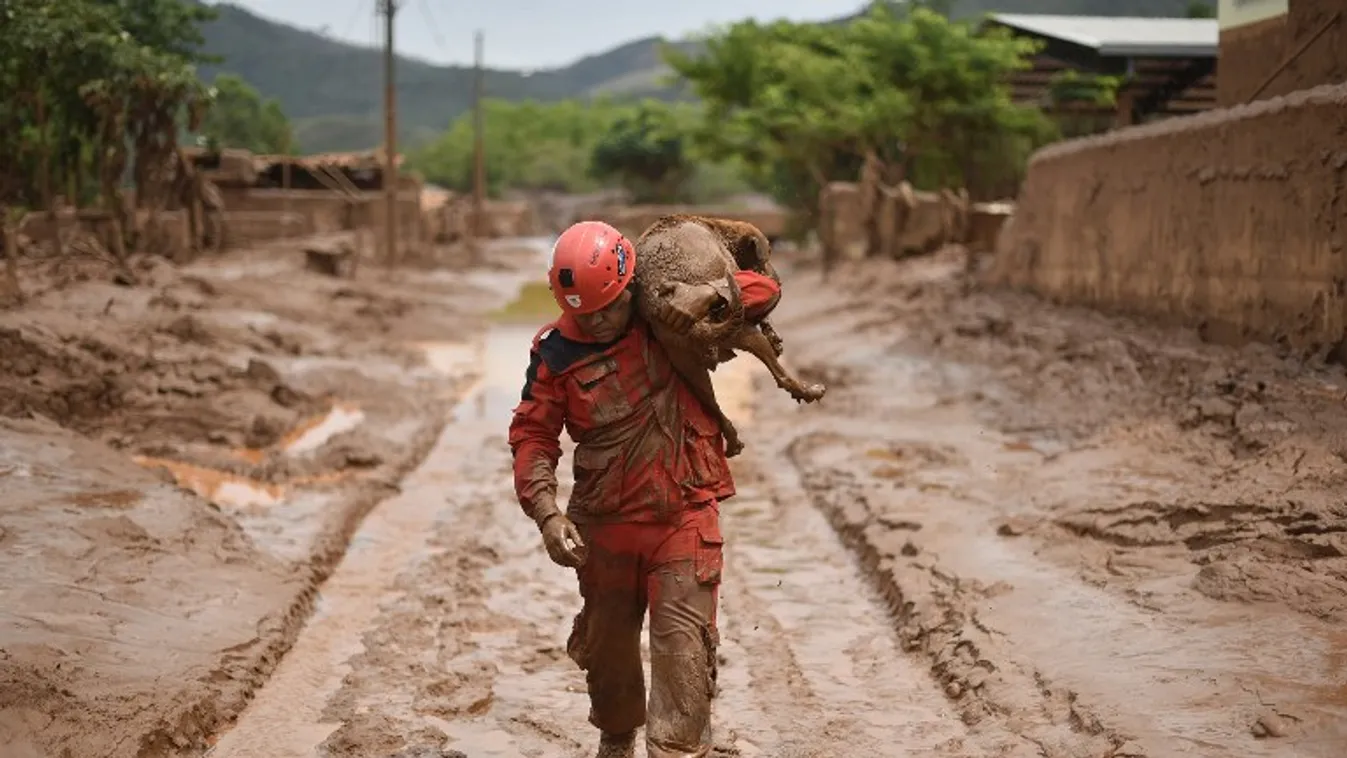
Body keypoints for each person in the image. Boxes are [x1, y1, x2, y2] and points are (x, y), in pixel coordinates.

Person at [507, 220, 782, 758]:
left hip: (685, 519)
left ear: (628, 286)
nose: (597, 321)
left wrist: (707, 295)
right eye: (584, 312)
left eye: (608, 308)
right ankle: (616, 738)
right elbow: (533, 436)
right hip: (604, 529)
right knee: (609, 660)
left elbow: (764, 291)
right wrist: (546, 513)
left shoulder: (664, 313)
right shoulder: (555, 354)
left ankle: (676, 748)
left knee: (683, 657)